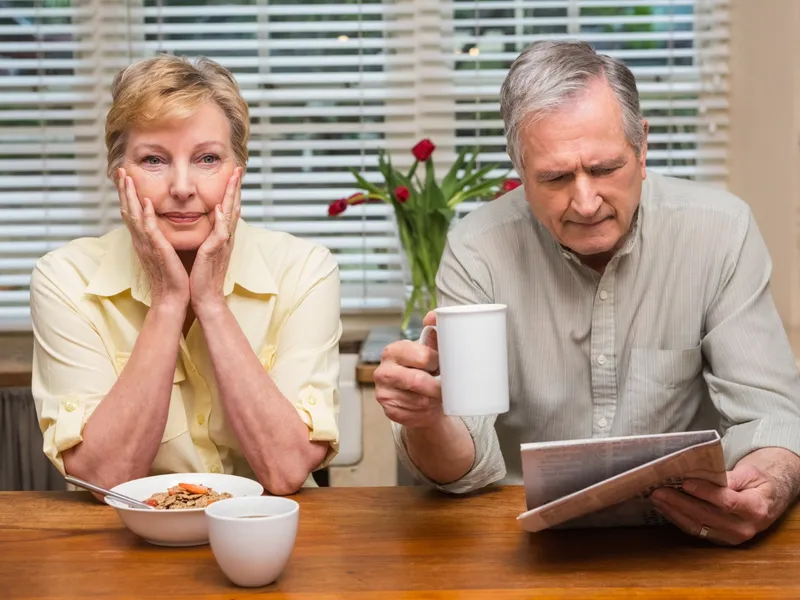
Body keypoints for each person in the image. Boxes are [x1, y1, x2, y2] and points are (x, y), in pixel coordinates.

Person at [374, 41, 800, 545]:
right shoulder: (478, 248)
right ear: (519, 171)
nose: (585, 201)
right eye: (554, 177)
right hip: (517, 538)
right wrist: (429, 420)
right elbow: (464, 465)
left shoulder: (720, 230)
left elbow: (770, 416)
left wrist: (768, 484)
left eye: (604, 169)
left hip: (683, 534)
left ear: (641, 148)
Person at [31, 55, 341, 495]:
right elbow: (102, 477)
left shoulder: (305, 268)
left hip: (265, 533)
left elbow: (286, 469)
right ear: (119, 174)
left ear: (239, 170)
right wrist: (168, 302)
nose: (181, 187)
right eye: (154, 160)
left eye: (208, 158)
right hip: (119, 544)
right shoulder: (64, 278)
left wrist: (211, 303)